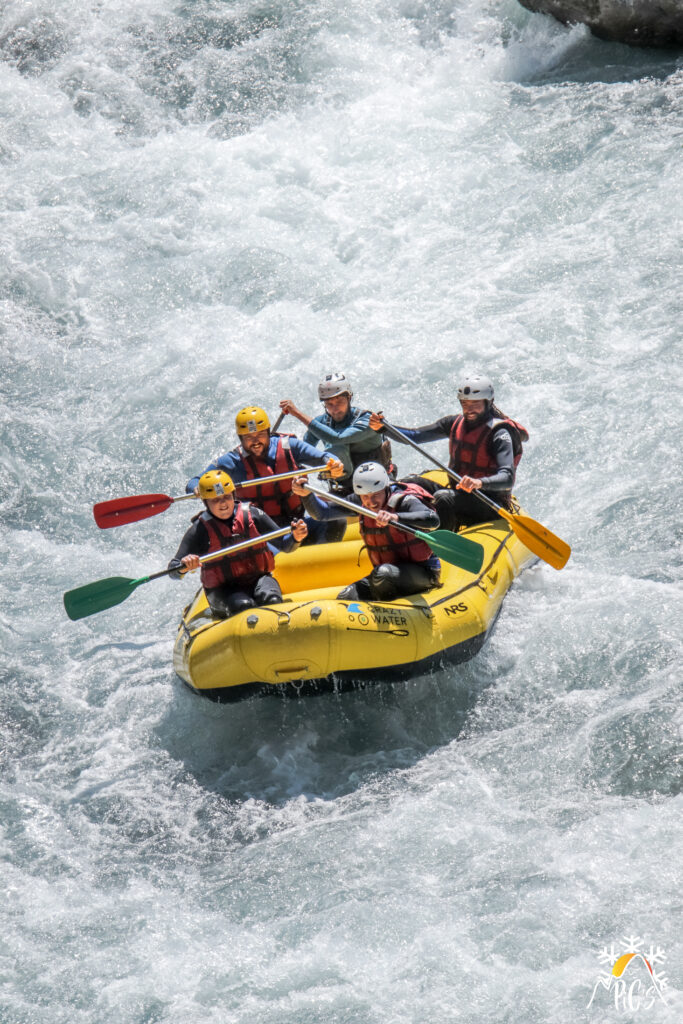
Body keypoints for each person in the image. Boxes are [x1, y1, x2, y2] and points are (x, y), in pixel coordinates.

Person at [370, 375, 528, 532]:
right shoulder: (454, 423)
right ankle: (396, 529)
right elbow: (415, 435)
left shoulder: (500, 432)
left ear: (489, 402)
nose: (469, 409)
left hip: (488, 503)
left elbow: (507, 478)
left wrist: (479, 483)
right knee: (410, 482)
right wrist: (384, 427)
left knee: (443, 497)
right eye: (465, 403)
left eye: (475, 403)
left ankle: (440, 545)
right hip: (460, 495)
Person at [186, 406, 346, 544]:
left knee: (337, 521)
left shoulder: (290, 447)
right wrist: (197, 489)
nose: (255, 441)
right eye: (249, 437)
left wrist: (334, 465)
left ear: (269, 432)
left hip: (296, 523)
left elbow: (323, 458)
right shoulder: (232, 461)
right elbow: (194, 481)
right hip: (261, 534)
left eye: (260, 435)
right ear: (241, 439)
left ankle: (315, 562)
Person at [292, 462, 441, 602]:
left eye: (376, 495)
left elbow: (433, 519)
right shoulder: (360, 502)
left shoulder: (405, 500)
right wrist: (306, 495)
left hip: (423, 572)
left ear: (385, 488)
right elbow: (322, 513)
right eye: (366, 497)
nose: (371, 502)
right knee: (346, 597)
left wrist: (396, 517)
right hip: (385, 574)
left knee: (383, 574)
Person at [169, 470, 307, 618]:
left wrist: (296, 538)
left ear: (233, 495)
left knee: (271, 599)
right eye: (215, 500)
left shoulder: (253, 514)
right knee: (243, 606)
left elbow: (285, 545)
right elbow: (173, 569)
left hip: (259, 580)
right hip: (223, 590)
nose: (223, 503)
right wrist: (184, 567)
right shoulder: (200, 529)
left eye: (226, 497)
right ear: (205, 503)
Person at [279, 373, 393, 494]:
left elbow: (337, 438)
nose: (335, 409)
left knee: (336, 447)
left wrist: (297, 413)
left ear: (349, 397)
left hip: (377, 485)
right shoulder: (322, 422)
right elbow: (303, 451)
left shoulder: (368, 420)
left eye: (339, 402)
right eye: (329, 404)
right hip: (343, 488)